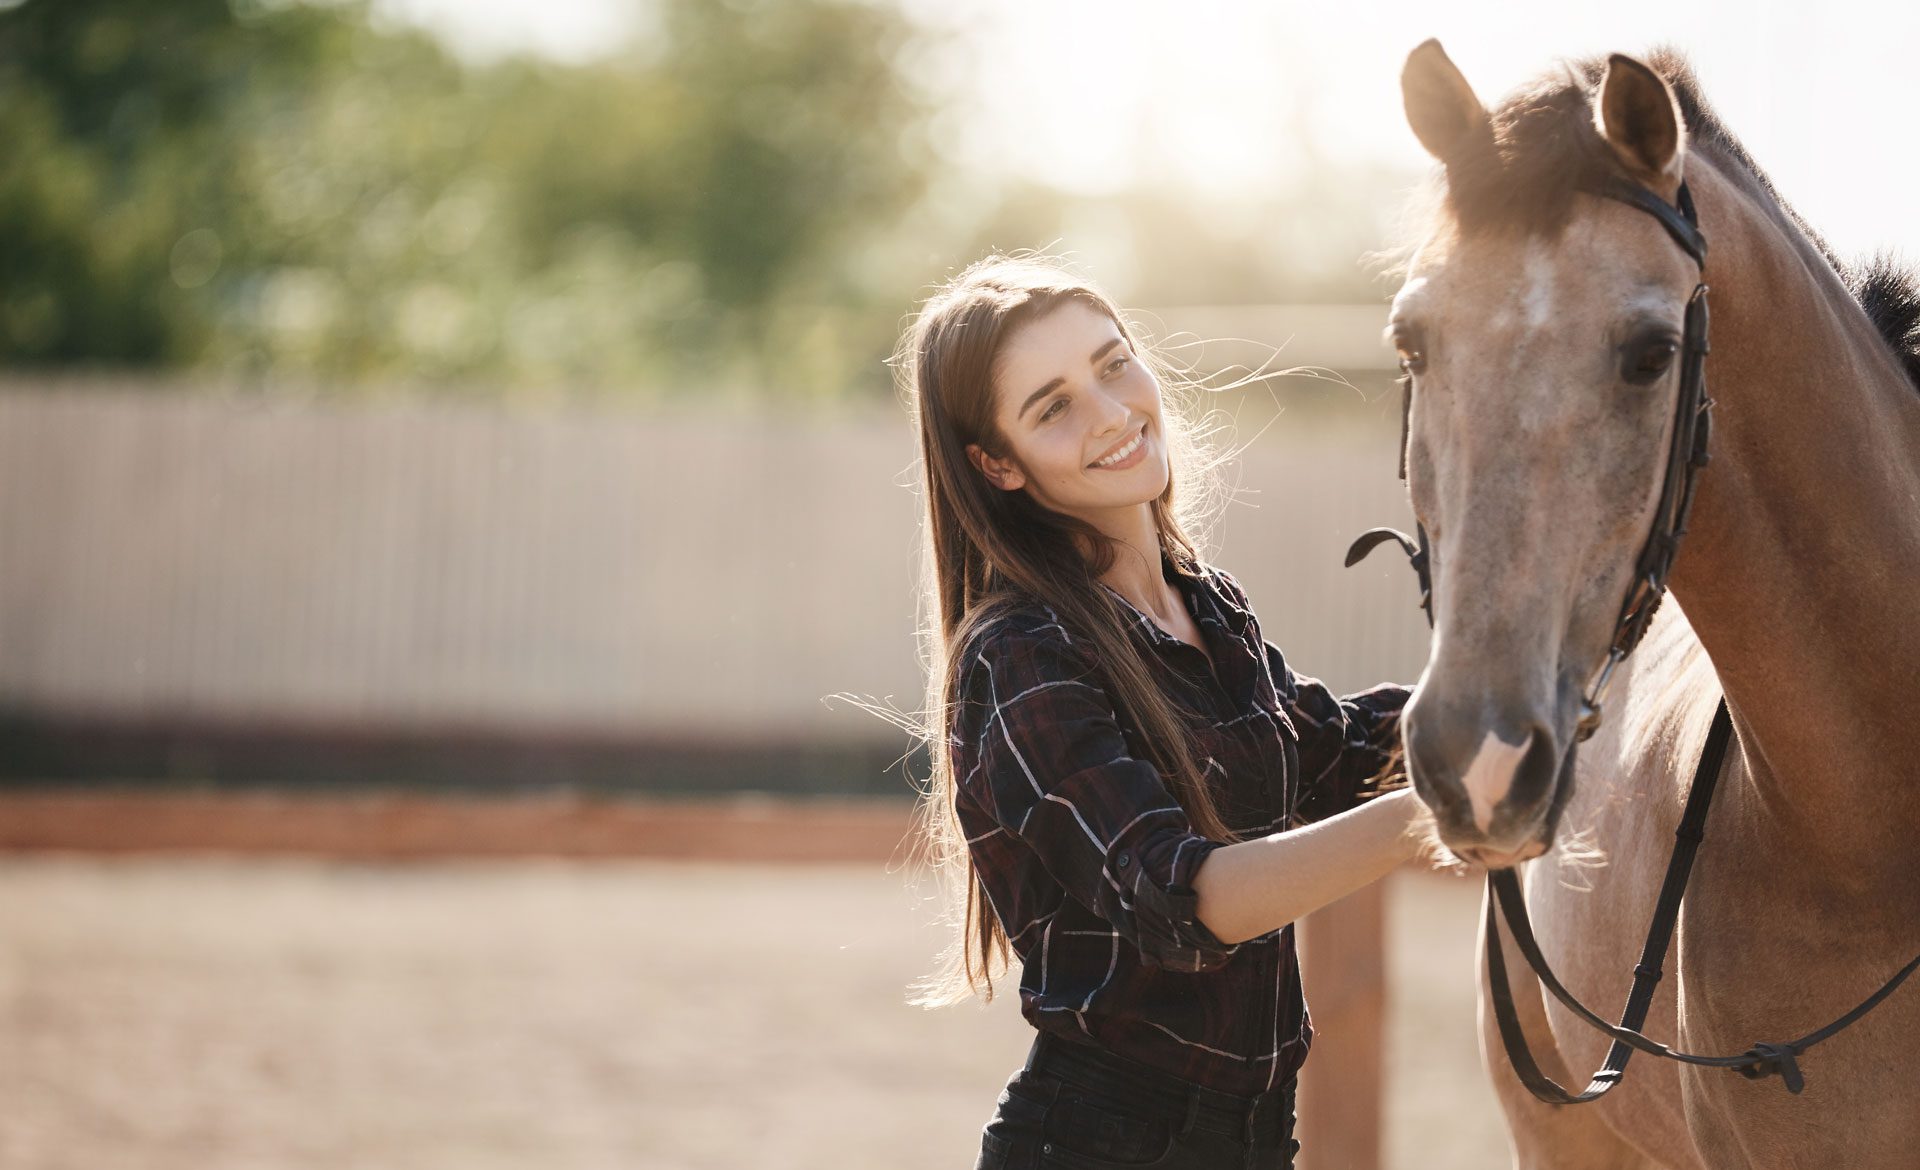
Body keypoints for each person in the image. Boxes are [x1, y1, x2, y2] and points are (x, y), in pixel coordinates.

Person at [896, 253, 1429, 1169]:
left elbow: (1337, 755)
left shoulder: (1206, 603)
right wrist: (1442, 810)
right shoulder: (1019, 654)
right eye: (1052, 406)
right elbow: (1184, 899)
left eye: (1113, 363)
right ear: (997, 464)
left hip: (1256, 1143)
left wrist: (1531, 696)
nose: (1110, 412)